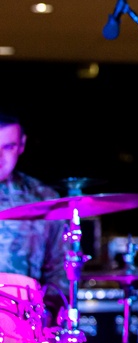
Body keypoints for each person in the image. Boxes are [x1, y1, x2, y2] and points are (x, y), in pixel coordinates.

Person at [0, 112, 69, 326]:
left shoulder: (43, 199)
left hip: (23, 329)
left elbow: (62, 269)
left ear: (21, 145)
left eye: (8, 147)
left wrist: (45, 312)